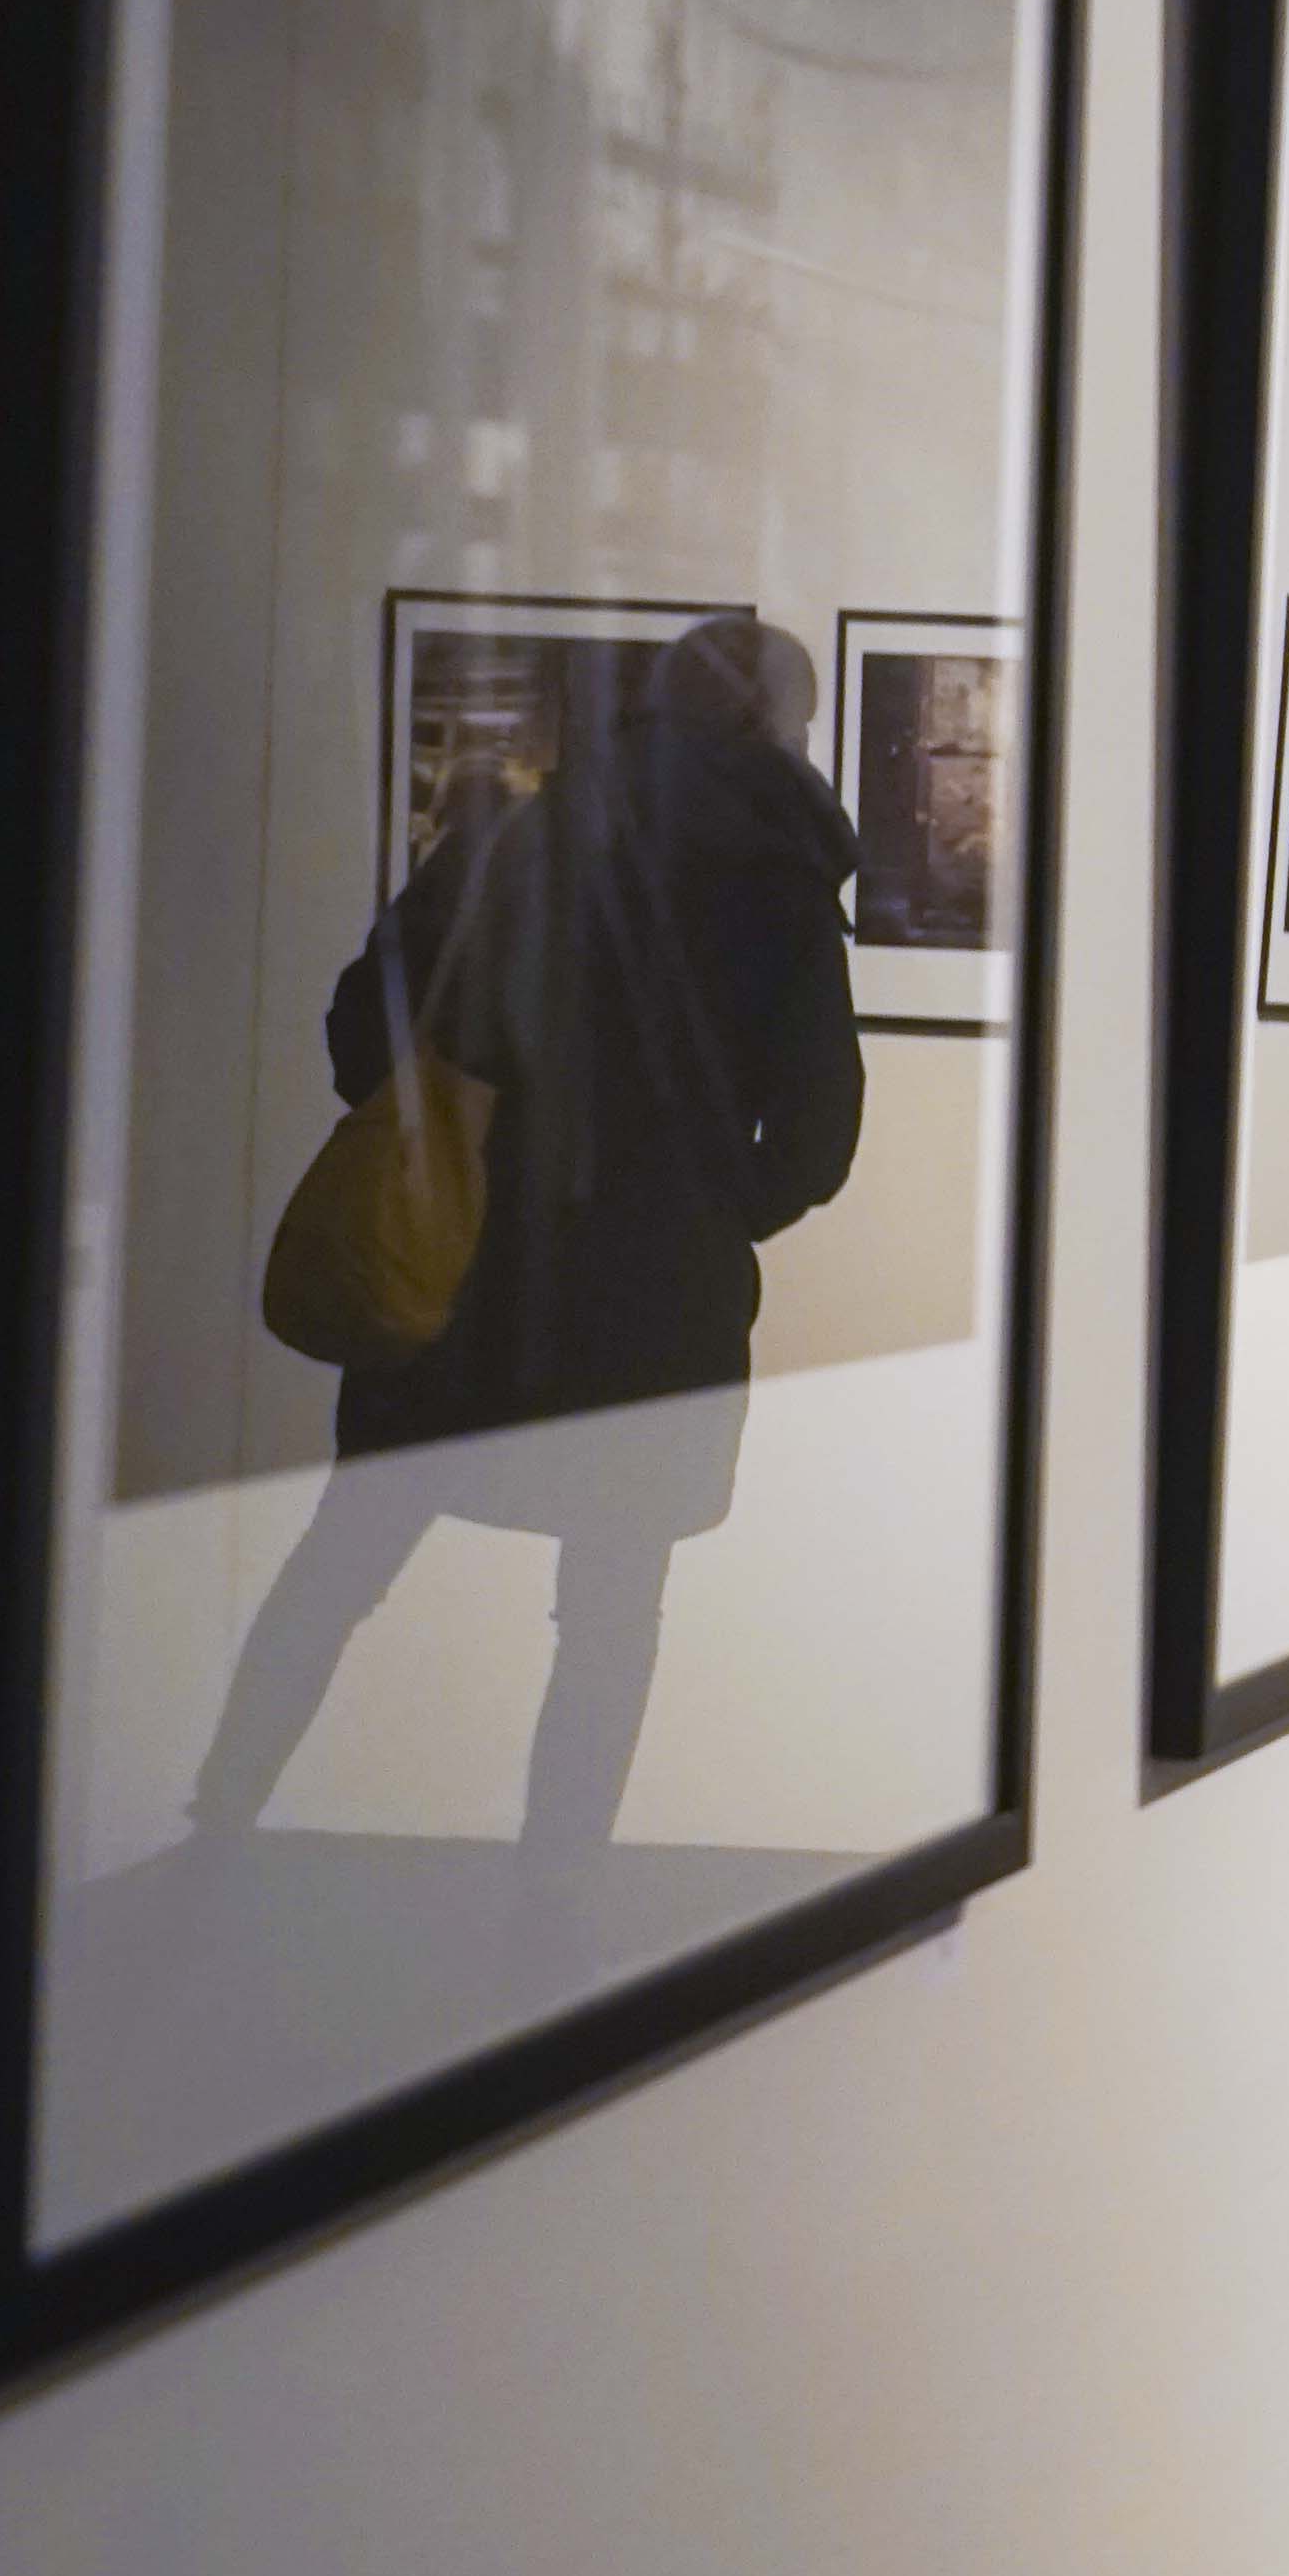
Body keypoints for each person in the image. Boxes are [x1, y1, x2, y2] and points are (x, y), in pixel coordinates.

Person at [196, 613, 867, 1853]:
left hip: (468, 1271)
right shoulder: (779, 887)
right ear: (778, 727)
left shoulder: (515, 840)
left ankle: (221, 1814)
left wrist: (455, 1128)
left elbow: (360, 1026)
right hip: (655, 1310)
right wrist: (712, 1209)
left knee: (341, 1563)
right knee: (612, 1616)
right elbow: (820, 1139)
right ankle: (555, 1894)